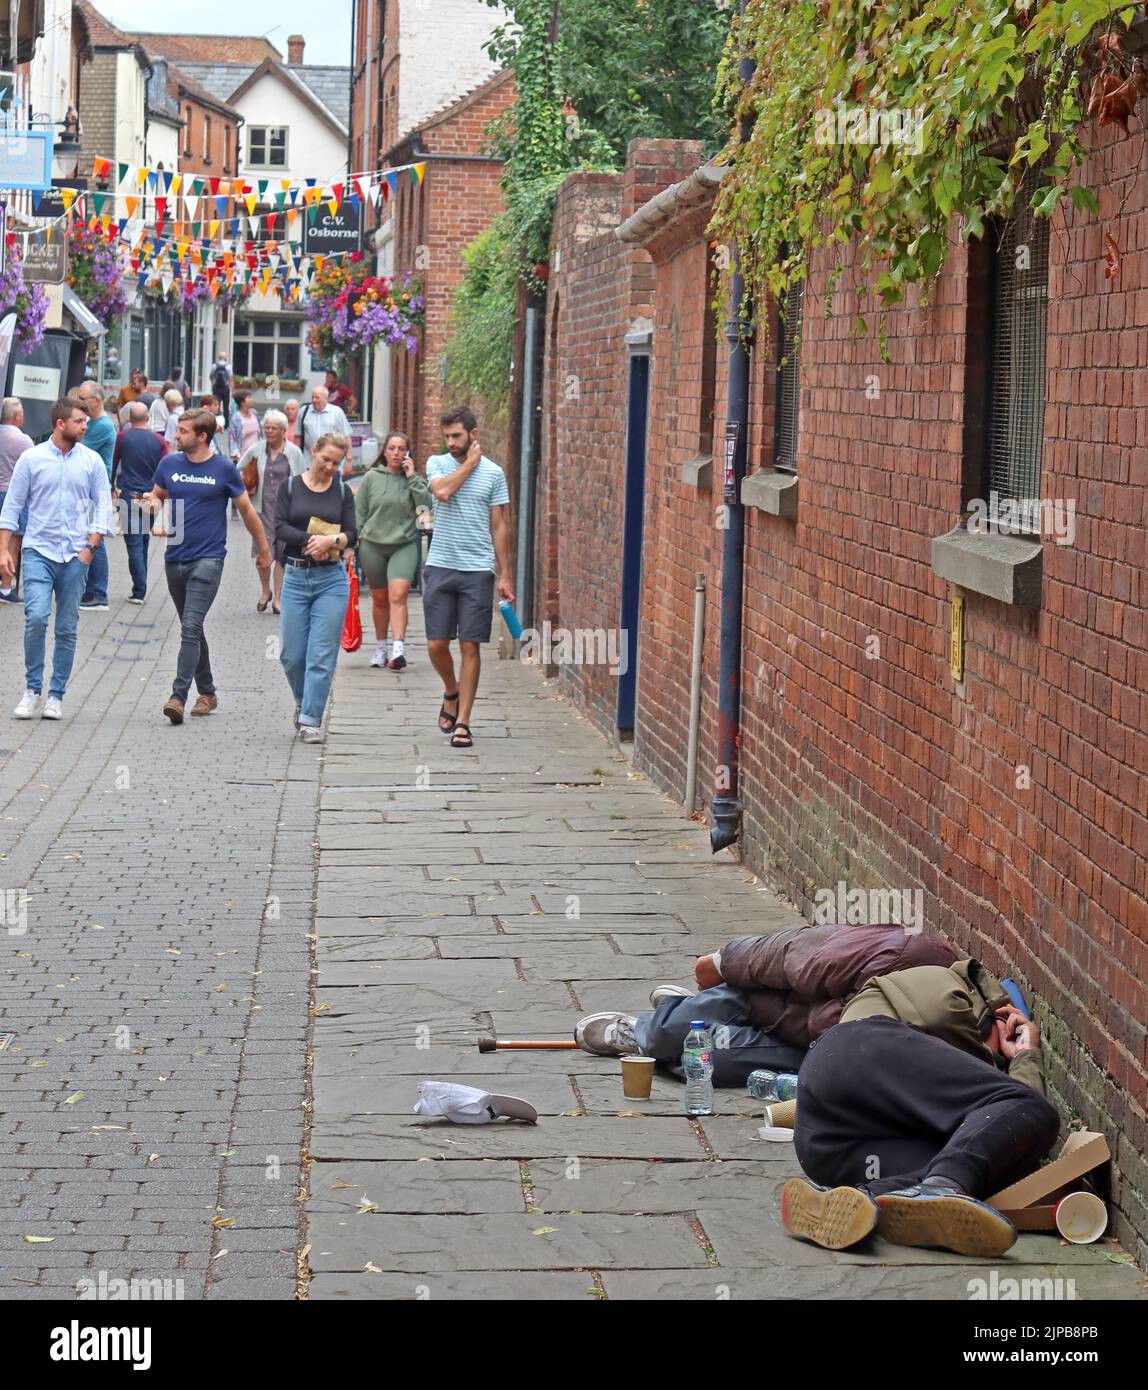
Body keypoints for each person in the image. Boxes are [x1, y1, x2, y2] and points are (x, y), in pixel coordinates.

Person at [779, 958, 1061, 1259]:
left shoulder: (940, 1087)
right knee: (1032, 1108)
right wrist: (1025, 1057)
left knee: (989, 1169)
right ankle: (940, 1186)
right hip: (851, 1054)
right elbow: (1019, 1107)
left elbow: (1006, 1136)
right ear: (995, 1017)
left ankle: (857, 1200)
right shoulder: (949, 987)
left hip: (828, 1149)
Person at [572, 923, 955, 1081]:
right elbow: (784, 954)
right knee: (664, 1037)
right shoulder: (887, 957)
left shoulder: (940, 1028)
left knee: (705, 1062)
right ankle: (647, 1031)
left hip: (808, 1046)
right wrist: (721, 963)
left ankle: (683, 1019)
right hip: (759, 999)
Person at [136, 410, 271, 724]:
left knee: (191, 628)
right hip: (174, 558)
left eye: (183, 431)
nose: (176, 435)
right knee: (191, 629)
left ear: (202, 436)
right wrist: (149, 503)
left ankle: (178, 696)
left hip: (209, 559)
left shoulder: (223, 469)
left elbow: (248, 512)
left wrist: (263, 551)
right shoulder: (169, 464)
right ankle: (208, 693)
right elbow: (156, 497)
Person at [0, 397, 111, 719]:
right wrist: (4, 550)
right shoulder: (31, 458)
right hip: (38, 550)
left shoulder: (91, 461)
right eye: (79, 421)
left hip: (76, 555)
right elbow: (12, 506)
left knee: (67, 627)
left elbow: (103, 508)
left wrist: (89, 549)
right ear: (60, 424)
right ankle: (32, 689)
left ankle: (56, 694)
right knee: (35, 617)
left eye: (86, 422)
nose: (85, 426)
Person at [424, 405, 513, 749]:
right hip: (441, 564)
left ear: (473, 434)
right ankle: (451, 689)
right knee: (435, 644)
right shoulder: (437, 463)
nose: (451, 442)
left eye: (457, 436)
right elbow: (442, 492)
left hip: (477, 570)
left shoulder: (494, 473)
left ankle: (463, 721)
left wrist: (504, 574)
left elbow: (499, 524)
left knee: (469, 645)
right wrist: (469, 465)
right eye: (447, 436)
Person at [275, 432, 357, 743]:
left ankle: (310, 719)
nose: (330, 466)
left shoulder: (342, 491)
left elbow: (352, 532)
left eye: (336, 462)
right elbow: (280, 525)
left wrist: (332, 541)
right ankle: (303, 700)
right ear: (314, 452)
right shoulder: (291, 486)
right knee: (292, 655)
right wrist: (311, 542)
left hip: (331, 580)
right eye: (326, 459)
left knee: (321, 654)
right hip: (296, 577)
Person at [354, 431, 432, 670]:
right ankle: (380, 647)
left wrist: (413, 478)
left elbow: (424, 509)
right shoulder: (371, 478)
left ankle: (398, 648)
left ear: (407, 452)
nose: (396, 453)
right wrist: (352, 543)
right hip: (372, 545)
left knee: (398, 595)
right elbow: (360, 512)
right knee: (379, 598)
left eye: (401, 449)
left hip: (403, 544)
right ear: (384, 452)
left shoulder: (413, 480)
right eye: (392, 448)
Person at [239, 408, 304, 613]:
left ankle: (278, 598)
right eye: (266, 427)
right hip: (262, 509)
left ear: (284, 430)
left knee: (281, 554)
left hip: (286, 511)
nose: (269, 431)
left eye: (274, 428)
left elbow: (302, 481)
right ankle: (265, 590)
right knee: (263, 552)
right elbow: (238, 468)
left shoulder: (294, 452)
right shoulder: (257, 449)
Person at [111, 402, 168, 603]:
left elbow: (114, 463)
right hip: (151, 497)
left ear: (129, 418)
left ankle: (139, 590)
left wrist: (112, 486)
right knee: (143, 540)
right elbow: (165, 468)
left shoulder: (122, 438)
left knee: (134, 543)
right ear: (148, 418)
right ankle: (140, 586)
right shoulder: (159, 441)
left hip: (129, 495)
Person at [76, 383, 117, 612]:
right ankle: (92, 590)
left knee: (96, 539)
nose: (79, 401)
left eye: (83, 398)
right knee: (91, 537)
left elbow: (77, 445)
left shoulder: (102, 426)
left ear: (97, 400)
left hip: (96, 490)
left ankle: (98, 592)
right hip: (91, 489)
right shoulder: (94, 423)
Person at [0, 397, 33, 603]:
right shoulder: (23, 441)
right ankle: (5, 589)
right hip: (12, 495)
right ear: (16, 416)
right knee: (13, 541)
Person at [299, 385, 351, 473]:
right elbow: (298, 437)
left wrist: (348, 460)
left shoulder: (337, 412)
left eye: (317, 397)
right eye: (312, 397)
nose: (314, 400)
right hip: (308, 463)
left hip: (331, 465)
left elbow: (347, 437)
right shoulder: (303, 411)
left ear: (325, 398)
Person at [227, 388, 262, 461]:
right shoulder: (236, 418)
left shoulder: (254, 413)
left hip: (257, 456)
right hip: (243, 457)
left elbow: (260, 434)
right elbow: (232, 438)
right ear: (242, 402)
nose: (252, 399)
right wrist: (237, 457)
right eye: (249, 397)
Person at [210, 355, 232, 420]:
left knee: (216, 405)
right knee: (226, 406)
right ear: (225, 358)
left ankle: (216, 420)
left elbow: (211, 376)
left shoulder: (214, 366)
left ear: (219, 358)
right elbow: (231, 379)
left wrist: (214, 383)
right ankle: (226, 423)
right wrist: (233, 390)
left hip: (216, 388)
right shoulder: (228, 367)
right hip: (225, 388)